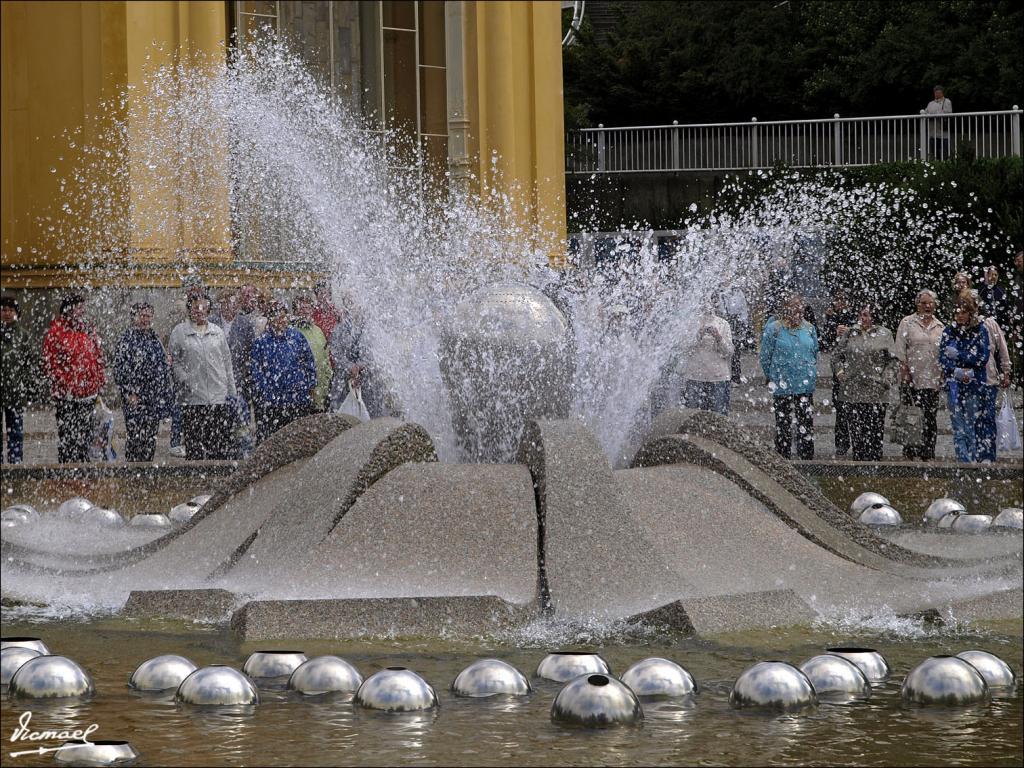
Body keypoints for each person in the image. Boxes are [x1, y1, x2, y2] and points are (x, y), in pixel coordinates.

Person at [168, 293, 237, 460]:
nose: (200, 311)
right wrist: (185, 379)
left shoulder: (217, 332)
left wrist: (231, 390)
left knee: (219, 447)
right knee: (195, 448)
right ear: (189, 309)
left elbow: (227, 363)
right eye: (196, 307)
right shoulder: (180, 332)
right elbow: (173, 361)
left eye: (204, 307)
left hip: (218, 398)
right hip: (193, 400)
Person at [42, 293, 105, 463]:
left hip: (88, 394)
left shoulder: (89, 329)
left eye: (82, 307)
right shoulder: (56, 331)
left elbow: (98, 357)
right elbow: (50, 363)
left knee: (85, 436)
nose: (81, 310)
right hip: (66, 396)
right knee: (68, 438)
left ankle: (83, 473)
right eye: (77, 307)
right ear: (67, 310)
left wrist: (99, 380)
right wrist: (67, 384)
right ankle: (67, 474)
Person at [831, 304, 897, 461]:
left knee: (875, 432)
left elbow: (892, 361)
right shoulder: (850, 333)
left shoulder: (885, 334)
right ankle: (859, 463)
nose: (863, 318)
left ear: (875, 317)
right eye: (861, 315)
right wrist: (840, 373)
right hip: (853, 390)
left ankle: (875, 465)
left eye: (867, 315)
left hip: (876, 390)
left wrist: (887, 379)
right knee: (857, 433)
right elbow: (836, 357)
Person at [112, 302, 174, 462]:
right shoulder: (127, 339)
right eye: (142, 316)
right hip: (135, 399)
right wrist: (129, 393)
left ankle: (146, 472)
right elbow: (119, 369)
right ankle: (133, 473)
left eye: (149, 316)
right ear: (134, 317)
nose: (146, 319)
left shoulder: (154, 337)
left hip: (153, 398)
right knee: (135, 438)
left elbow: (162, 365)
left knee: (150, 439)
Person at [760, 293, 819, 460]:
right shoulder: (774, 328)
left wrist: (811, 371)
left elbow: (814, 351)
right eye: (794, 309)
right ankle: (783, 458)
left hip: (804, 383)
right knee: (783, 423)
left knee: (806, 422)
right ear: (786, 310)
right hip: (782, 382)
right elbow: (765, 355)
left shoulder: (809, 328)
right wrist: (769, 375)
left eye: (800, 310)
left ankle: (807, 458)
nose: (797, 313)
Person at [250, 301, 317, 442]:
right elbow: (256, 372)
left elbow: (309, 363)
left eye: (284, 317)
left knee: (298, 440)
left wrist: (310, 385)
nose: (281, 321)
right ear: (271, 319)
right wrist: (266, 393)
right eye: (278, 317)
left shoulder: (297, 338)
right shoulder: (261, 342)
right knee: (273, 442)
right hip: (272, 404)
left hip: (297, 400)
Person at [894, 289, 945, 460]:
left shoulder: (940, 326)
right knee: (912, 416)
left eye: (930, 303)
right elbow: (900, 351)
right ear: (918, 305)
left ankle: (928, 451)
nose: (928, 306)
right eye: (924, 303)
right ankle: (910, 450)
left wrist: (941, 376)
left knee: (930, 417)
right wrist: (905, 372)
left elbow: (942, 354)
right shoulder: (907, 322)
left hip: (932, 379)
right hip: (912, 379)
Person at [940, 294, 990, 463]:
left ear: (970, 313)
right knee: (958, 426)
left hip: (974, 385)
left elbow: (982, 358)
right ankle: (962, 460)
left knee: (972, 425)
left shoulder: (980, 330)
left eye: (963, 312)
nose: (960, 315)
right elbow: (943, 357)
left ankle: (974, 460)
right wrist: (955, 371)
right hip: (954, 384)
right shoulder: (949, 331)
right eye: (957, 312)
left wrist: (961, 357)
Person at [210, 288, 257, 456]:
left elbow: (251, 352)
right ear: (220, 305)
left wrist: (244, 376)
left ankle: (242, 451)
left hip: (239, 379)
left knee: (241, 417)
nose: (230, 307)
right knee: (219, 418)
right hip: (216, 380)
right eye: (226, 303)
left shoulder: (245, 324)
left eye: (233, 303)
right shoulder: (212, 322)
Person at [820, 289, 859, 456]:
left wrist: (849, 330)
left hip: (856, 367)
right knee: (841, 408)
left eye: (843, 300)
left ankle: (857, 441)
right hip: (840, 367)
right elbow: (825, 342)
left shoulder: (854, 317)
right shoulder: (831, 317)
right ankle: (842, 442)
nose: (840, 304)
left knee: (856, 408)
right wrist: (832, 326)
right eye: (838, 300)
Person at [679, 304, 734, 415]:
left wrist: (719, 337)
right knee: (691, 419)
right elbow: (683, 348)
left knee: (719, 419)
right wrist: (698, 335)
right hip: (694, 377)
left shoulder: (723, 324)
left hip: (718, 378)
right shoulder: (691, 323)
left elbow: (729, 352)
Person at [1, 294, 34, 464]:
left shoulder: (23, 336)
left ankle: (15, 466)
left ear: (17, 313)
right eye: (4, 309)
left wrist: (28, 388)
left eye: (10, 310)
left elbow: (30, 364)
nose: (6, 313)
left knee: (16, 433)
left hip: (16, 393)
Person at [979, 311, 1011, 462]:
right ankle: (976, 453)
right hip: (969, 380)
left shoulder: (989, 323)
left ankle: (988, 455)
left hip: (989, 377)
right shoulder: (961, 324)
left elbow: (1002, 347)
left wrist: (1006, 371)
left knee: (988, 416)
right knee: (973, 418)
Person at [293, 293, 332, 412]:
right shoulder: (292, 333)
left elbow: (326, 358)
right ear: (296, 311)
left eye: (308, 308)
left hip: (322, 390)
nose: (305, 311)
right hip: (304, 394)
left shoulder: (318, 331)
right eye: (302, 308)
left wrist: (328, 379)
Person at [718, 285, 750, 383]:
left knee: (735, 350)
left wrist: (744, 323)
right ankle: (724, 375)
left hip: (737, 322)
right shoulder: (719, 292)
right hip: (725, 322)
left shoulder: (737, 291)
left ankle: (736, 375)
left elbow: (743, 308)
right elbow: (720, 310)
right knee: (724, 349)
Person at [925, 85, 953, 159]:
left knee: (945, 153)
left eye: (939, 92)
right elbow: (925, 113)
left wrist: (935, 115)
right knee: (934, 153)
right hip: (932, 132)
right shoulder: (930, 103)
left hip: (943, 133)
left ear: (942, 93)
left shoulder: (947, 101)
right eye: (936, 92)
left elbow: (948, 113)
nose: (937, 94)